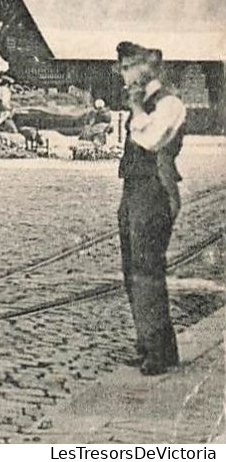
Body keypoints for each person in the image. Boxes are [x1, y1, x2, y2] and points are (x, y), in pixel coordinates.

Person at [114, 41, 185, 376]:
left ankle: (159, 351)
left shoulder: (169, 103)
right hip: (133, 191)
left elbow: (150, 140)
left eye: (129, 66)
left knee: (148, 271)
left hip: (156, 191)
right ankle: (151, 345)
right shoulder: (140, 103)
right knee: (133, 271)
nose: (123, 73)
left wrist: (138, 111)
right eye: (123, 67)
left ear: (148, 68)